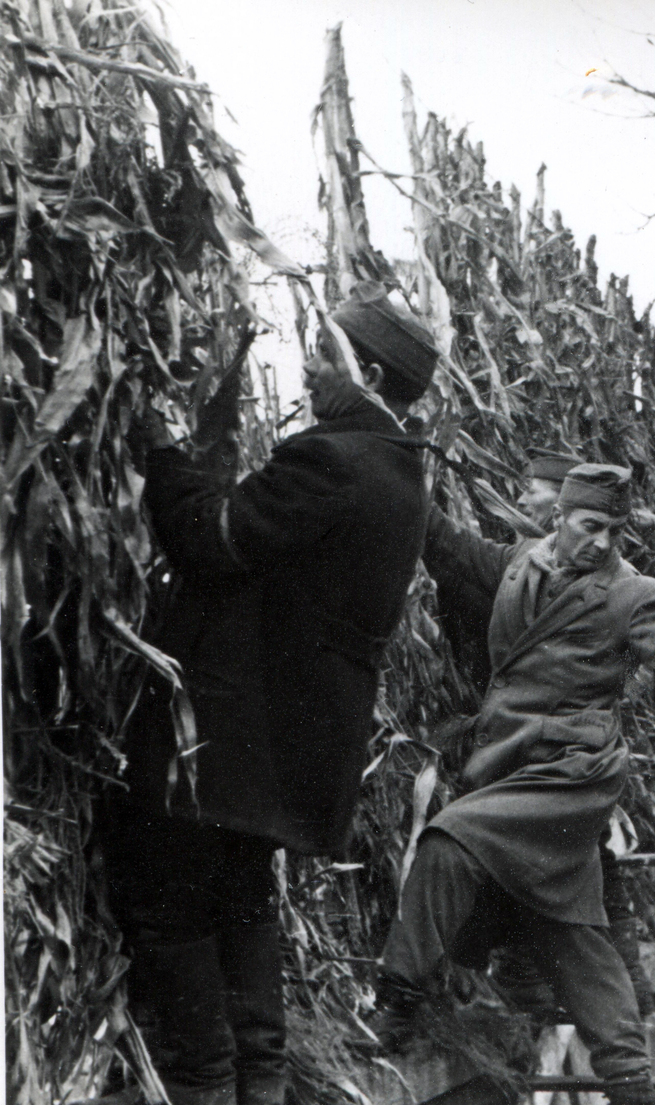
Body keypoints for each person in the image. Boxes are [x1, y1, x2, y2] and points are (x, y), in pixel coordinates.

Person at [113, 284, 438, 1105]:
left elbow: (210, 540)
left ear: (361, 369)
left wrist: (159, 447)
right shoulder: (400, 472)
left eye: (322, 354)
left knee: (182, 959)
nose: (308, 369)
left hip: (219, 756)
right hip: (279, 766)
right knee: (248, 943)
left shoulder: (331, 459)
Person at [369, 463, 655, 1105]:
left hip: (569, 775)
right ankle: (632, 1084)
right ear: (559, 518)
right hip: (510, 768)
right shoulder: (514, 564)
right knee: (571, 927)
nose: (604, 542)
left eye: (615, 531)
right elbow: (444, 545)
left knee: (449, 843)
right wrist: (387, 457)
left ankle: (395, 1000)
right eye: (591, 525)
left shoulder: (633, 594)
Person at [431, 450, 583, 693]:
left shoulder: (544, 559)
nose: (520, 501)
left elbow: (459, 547)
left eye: (531, 491)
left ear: (561, 507)